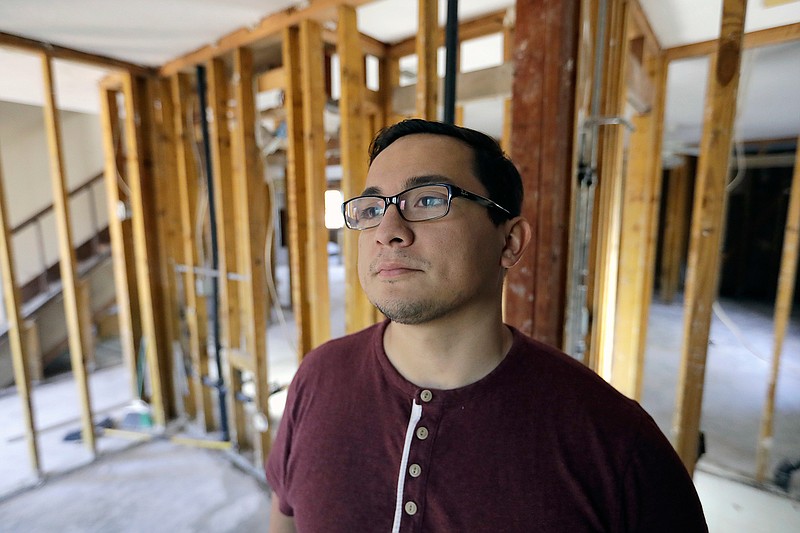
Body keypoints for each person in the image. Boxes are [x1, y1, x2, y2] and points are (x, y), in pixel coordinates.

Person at [266, 119, 707, 532]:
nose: (388, 230)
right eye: (370, 208)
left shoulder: (615, 441)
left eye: (429, 200)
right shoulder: (318, 376)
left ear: (509, 242)